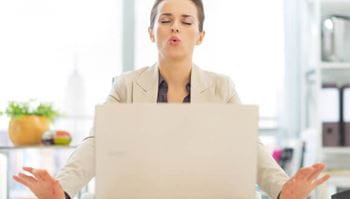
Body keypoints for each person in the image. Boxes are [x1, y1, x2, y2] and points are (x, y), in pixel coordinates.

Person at [13, 0, 330, 198]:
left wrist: (281, 189)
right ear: (152, 32)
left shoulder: (222, 88)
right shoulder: (125, 86)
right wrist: (62, 189)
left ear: (200, 35)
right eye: (165, 20)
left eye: (186, 21)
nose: (174, 26)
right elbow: (97, 144)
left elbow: (249, 147)